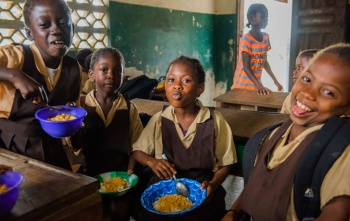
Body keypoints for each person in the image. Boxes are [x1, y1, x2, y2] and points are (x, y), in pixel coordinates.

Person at [222, 43, 350, 221]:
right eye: (307, 79)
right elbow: (255, 184)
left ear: (347, 109)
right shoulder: (274, 134)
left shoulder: (338, 151)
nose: (308, 94)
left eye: (328, 92)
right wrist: (233, 212)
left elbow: (337, 211)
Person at [132, 55, 237, 221]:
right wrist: (152, 162)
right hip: (164, 189)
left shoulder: (214, 121)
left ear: (200, 88)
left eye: (186, 81)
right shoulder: (159, 119)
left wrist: (213, 184)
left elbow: (226, 164)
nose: (177, 86)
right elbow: (137, 152)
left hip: (202, 191)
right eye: (171, 80)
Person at [0, 0, 81, 170]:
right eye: (45, 24)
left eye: (64, 23)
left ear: (72, 29)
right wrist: (14, 75)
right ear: (30, 33)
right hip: (11, 151)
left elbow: (73, 110)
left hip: (51, 149)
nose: (57, 30)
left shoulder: (73, 68)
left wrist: (69, 113)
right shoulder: (16, 57)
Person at [71, 47, 143, 221]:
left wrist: (130, 171)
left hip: (121, 175)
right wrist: (75, 126)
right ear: (91, 74)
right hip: (89, 175)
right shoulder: (80, 106)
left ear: (123, 76)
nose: (111, 75)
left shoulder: (128, 108)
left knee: (120, 212)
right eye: (104, 70)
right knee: (92, 213)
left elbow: (137, 146)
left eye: (117, 71)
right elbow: (76, 144)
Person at [231, 3, 283, 95]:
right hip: (241, 87)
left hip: (255, 86)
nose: (266, 20)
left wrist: (275, 81)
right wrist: (260, 86)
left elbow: (264, 62)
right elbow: (246, 67)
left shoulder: (266, 37)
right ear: (252, 18)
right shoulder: (246, 39)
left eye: (267, 17)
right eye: (262, 17)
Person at [280, 49, 318, 114]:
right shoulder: (291, 96)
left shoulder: (319, 98)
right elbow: (282, 117)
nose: (295, 71)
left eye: (300, 67)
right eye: (296, 67)